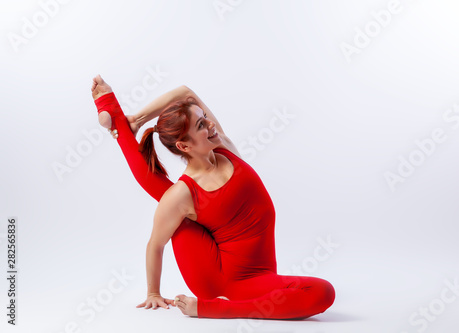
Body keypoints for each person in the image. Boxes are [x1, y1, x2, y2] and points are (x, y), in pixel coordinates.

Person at [90, 75, 335, 319]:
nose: (210, 125)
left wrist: (136, 119)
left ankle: (119, 125)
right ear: (184, 147)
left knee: (172, 199)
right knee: (324, 292)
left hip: (260, 276)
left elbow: (185, 93)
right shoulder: (184, 193)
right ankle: (213, 308)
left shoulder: (223, 147)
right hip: (222, 283)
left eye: (204, 118)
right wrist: (153, 292)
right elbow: (156, 244)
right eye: (201, 126)